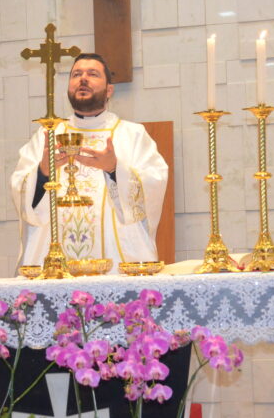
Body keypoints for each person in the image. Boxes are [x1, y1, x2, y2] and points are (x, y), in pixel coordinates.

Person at [10, 53, 168, 272]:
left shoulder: (132, 135)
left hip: (117, 259)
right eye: (76, 74)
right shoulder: (47, 135)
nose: (83, 79)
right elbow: (20, 187)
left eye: (92, 74)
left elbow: (154, 185)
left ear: (109, 90)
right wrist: (43, 173)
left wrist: (114, 169)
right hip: (54, 263)